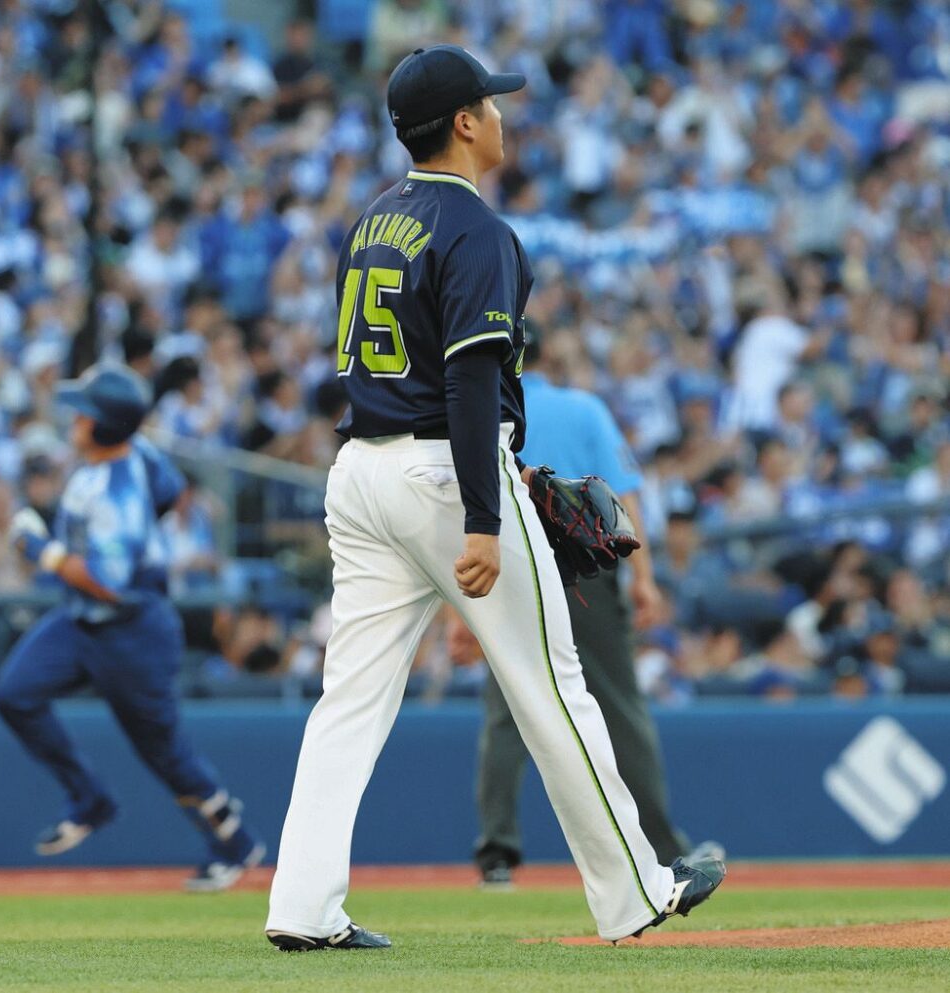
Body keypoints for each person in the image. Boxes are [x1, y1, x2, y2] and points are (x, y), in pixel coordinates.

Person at [264, 46, 724, 953]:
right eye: (492, 102)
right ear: (465, 123)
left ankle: (302, 907)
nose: (504, 114)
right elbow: (471, 380)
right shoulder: (475, 229)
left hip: (360, 471)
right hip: (443, 472)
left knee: (347, 703)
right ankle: (636, 890)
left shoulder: (373, 220)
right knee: (552, 685)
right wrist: (483, 516)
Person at [0, 365, 265, 892]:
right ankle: (89, 798)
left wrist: (42, 552)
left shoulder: (116, 490)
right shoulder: (136, 456)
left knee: (165, 754)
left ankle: (235, 844)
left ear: (104, 425)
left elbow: (107, 581)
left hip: (133, 631)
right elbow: (167, 490)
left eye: (86, 412)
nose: (75, 417)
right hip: (83, 623)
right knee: (14, 693)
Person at [474, 340, 708, 887]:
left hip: (504, 564)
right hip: (585, 571)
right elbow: (623, 496)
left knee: (507, 710)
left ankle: (497, 851)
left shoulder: (485, 406)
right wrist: (644, 578)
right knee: (618, 707)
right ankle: (660, 844)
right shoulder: (583, 408)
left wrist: (454, 614)